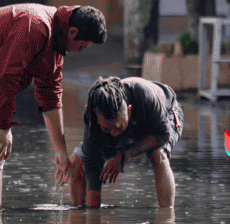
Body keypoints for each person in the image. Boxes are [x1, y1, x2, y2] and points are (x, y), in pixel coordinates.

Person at [0, 4, 107, 211]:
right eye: (81, 46)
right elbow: (6, 76)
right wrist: (4, 128)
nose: (78, 52)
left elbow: (50, 94)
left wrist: (61, 151)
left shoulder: (56, 44)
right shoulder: (36, 26)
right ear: (72, 32)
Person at [69, 76, 184, 209]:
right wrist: (93, 214)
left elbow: (162, 135)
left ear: (128, 110)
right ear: (96, 115)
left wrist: (124, 156)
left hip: (166, 118)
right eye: (107, 128)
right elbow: (92, 165)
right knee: (76, 161)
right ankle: (79, 216)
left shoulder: (144, 94)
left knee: (158, 154)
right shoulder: (91, 117)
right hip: (130, 127)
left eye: (118, 127)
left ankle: (167, 219)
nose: (114, 134)